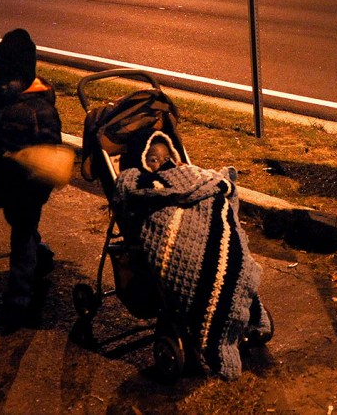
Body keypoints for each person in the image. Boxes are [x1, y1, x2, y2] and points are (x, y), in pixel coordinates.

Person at [115, 131, 272, 380]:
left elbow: (219, 188)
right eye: (153, 159)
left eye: (166, 157)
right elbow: (131, 190)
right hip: (176, 228)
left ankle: (243, 310)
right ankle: (220, 331)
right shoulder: (142, 185)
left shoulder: (194, 175)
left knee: (230, 248)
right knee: (198, 262)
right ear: (142, 163)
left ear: (177, 159)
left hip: (205, 211)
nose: (161, 163)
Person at [0, 28, 62, 330]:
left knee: (21, 234)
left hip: (30, 183)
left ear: (23, 78)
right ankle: (41, 256)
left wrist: (34, 163)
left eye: (6, 77)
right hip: (5, 178)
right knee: (21, 226)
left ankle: (19, 304)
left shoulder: (41, 110)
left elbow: (51, 148)